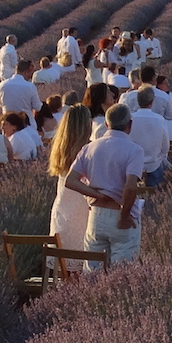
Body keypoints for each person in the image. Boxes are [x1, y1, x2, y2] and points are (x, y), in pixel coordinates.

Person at [67, 106, 147, 266]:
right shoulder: (134, 150)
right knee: (121, 272)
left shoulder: (90, 148)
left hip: (97, 214)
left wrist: (97, 195)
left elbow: (71, 181)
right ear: (129, 125)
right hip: (120, 212)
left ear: (106, 124)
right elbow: (131, 187)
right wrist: (125, 216)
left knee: (92, 270)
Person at [126, 85, 172, 186]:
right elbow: (165, 145)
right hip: (154, 165)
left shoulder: (130, 119)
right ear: (152, 102)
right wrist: (161, 157)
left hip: (132, 167)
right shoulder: (159, 119)